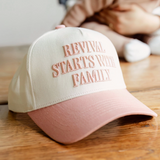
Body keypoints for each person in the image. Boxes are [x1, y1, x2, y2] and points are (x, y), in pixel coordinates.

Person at [61, 0, 160, 62]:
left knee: (150, 32)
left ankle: (151, 42)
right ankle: (126, 46)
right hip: (102, 25)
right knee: (92, 31)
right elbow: (81, 8)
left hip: (139, 31)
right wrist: (63, 31)